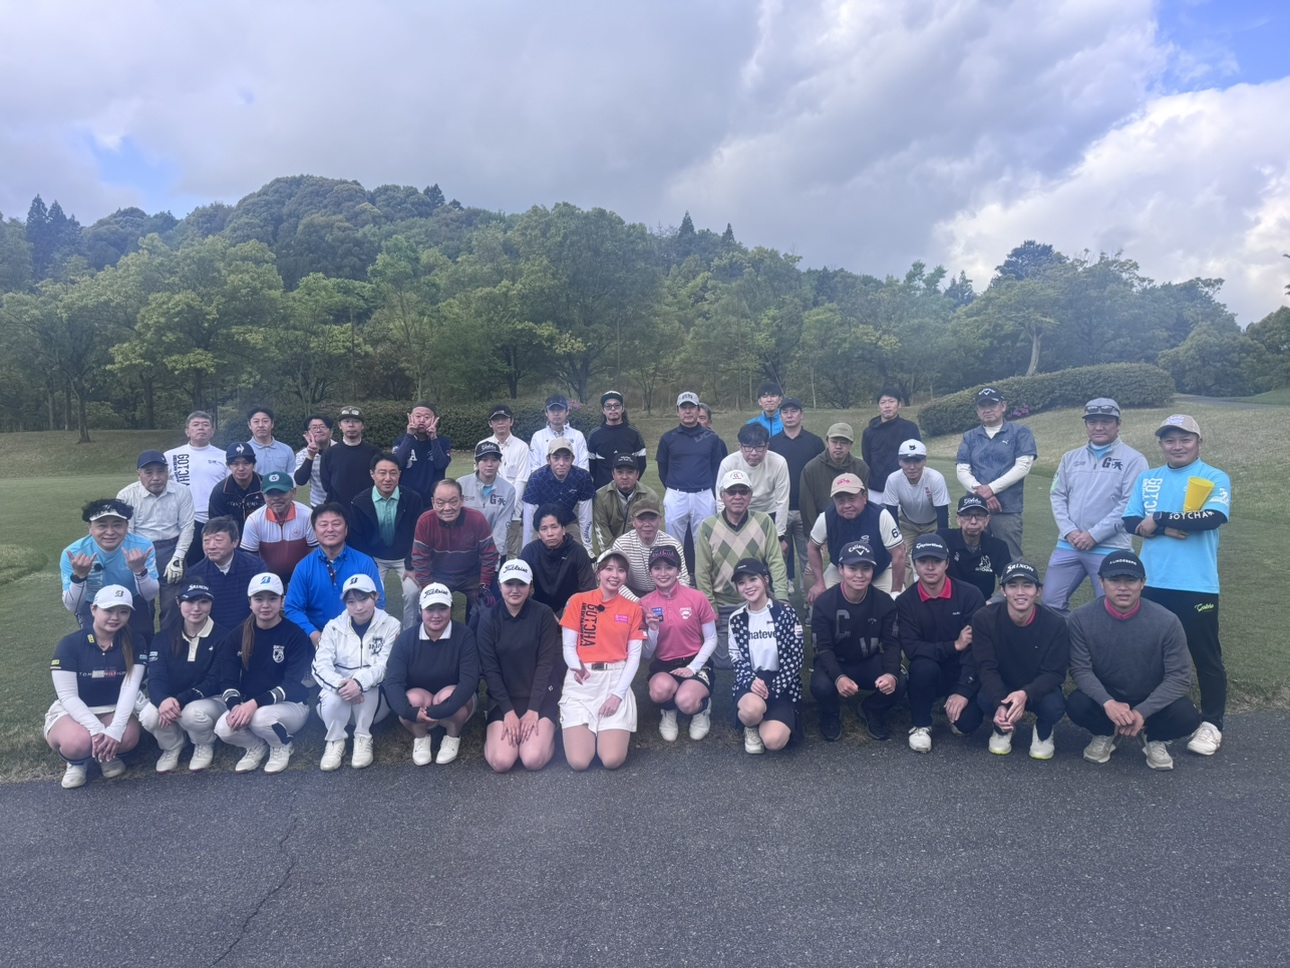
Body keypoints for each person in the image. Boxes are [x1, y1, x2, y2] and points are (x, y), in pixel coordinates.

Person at [1124, 413, 1232, 756]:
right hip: (1152, 582)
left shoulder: (1214, 476)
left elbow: (1213, 517)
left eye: (1185, 439)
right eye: (1169, 440)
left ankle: (1212, 724)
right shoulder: (1148, 478)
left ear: (1199, 442)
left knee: (1205, 655)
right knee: (1150, 654)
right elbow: (1129, 520)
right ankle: (1154, 720)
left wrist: (1159, 518)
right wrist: (1163, 528)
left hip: (1197, 584)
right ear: (1161, 444)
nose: (1177, 446)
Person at [1066, 551, 1203, 771]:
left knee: (1187, 716)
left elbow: (1179, 677)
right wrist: (1108, 703)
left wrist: (1142, 712)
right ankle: (1106, 732)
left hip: (1151, 695)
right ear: (1101, 582)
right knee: (1077, 704)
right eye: (1114, 580)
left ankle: (1153, 737)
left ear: (1143, 583)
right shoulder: (1080, 618)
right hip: (1108, 696)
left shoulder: (1167, 621)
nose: (1123, 587)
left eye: (1130, 580)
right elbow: (1080, 669)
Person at [1043, 398, 1148, 616]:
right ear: (1086, 425)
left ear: (1118, 424)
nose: (1098, 427)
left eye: (1106, 421)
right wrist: (1069, 531)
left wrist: (1094, 535)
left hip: (1110, 547)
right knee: (1050, 603)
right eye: (1092, 422)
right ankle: (1071, 638)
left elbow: (1129, 504)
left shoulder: (1134, 460)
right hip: (1068, 544)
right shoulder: (1070, 458)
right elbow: (1057, 495)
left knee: (1112, 609)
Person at [45, 584, 147, 789]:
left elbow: (130, 688)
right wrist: (97, 729)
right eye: (108, 610)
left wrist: (115, 730)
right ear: (93, 609)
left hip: (113, 708)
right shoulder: (70, 643)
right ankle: (77, 763)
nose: (115, 617)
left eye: (123, 611)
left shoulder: (135, 641)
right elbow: (68, 696)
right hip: (72, 711)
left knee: (127, 737)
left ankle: (106, 755)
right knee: (77, 742)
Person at [213, 572, 313, 774]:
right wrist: (235, 707)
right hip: (251, 704)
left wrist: (254, 704)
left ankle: (282, 745)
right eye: (259, 599)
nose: (265, 605)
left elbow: (291, 683)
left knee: (260, 719)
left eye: (272, 598)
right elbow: (228, 680)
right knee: (223, 728)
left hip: (291, 705)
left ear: (282, 601)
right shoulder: (236, 636)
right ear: (250, 602)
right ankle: (256, 746)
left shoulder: (295, 635)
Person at [896, 533, 987, 753]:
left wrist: (963, 690)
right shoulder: (905, 601)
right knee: (921, 666)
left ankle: (955, 705)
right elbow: (913, 649)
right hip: (930, 670)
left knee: (967, 724)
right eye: (923, 561)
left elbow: (977, 648)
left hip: (963, 669)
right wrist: (954, 645)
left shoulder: (970, 595)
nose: (930, 567)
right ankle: (921, 724)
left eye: (936, 561)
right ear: (914, 564)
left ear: (946, 563)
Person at [970, 560, 1069, 759]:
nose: (1020, 592)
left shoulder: (1055, 624)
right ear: (1003, 590)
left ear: (1038, 591)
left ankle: (1043, 730)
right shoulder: (984, 618)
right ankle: (1003, 726)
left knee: (1054, 706)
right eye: (1013, 585)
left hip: (1038, 688)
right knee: (985, 699)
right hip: (1004, 685)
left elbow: (1054, 673)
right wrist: (999, 703)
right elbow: (986, 667)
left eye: (1027, 585)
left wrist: (1025, 694)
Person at [559, 549, 647, 771]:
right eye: (609, 569)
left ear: (626, 576)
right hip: (583, 681)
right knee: (579, 762)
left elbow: (634, 658)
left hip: (615, 679)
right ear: (598, 572)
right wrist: (576, 667)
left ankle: (607, 731)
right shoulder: (578, 601)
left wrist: (617, 696)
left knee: (611, 759)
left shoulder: (633, 609)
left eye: (621, 570)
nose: (614, 575)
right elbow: (568, 646)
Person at [809, 542, 906, 742]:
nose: (859, 575)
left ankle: (872, 708)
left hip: (867, 660)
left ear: (873, 571)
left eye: (865, 568)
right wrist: (838, 677)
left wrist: (890, 674)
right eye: (852, 568)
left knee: (900, 681)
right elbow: (822, 648)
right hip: (835, 661)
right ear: (841, 569)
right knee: (821, 686)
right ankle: (830, 712)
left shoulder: (884, 602)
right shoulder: (824, 603)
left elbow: (892, 644)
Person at [476, 559, 564, 773]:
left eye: (521, 584)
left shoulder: (543, 614)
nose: (515, 590)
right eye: (509, 584)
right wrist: (508, 711)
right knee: (502, 762)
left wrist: (533, 709)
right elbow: (490, 670)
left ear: (530, 587)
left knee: (532, 759)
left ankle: (548, 731)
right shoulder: (488, 619)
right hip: (504, 699)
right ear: (500, 586)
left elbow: (545, 663)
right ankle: (499, 736)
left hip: (541, 697)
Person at [695, 469, 789, 668]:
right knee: (723, 662)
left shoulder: (764, 521)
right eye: (732, 492)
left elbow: (776, 561)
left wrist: (781, 597)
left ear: (750, 495)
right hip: (723, 604)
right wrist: (710, 607)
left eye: (743, 491)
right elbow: (702, 572)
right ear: (722, 496)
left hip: (758, 601)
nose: (737, 496)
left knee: (773, 655)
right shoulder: (707, 526)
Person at [136, 581, 230, 773]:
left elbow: (214, 682)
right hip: (173, 700)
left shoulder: (224, 637)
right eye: (190, 601)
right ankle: (172, 745)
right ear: (178, 602)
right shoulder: (163, 638)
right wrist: (162, 700)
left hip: (210, 700)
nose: (196, 608)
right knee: (148, 716)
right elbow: (156, 677)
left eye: (203, 602)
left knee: (191, 714)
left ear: (211, 604)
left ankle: (203, 743)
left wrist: (179, 700)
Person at [383, 583, 480, 766]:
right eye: (430, 609)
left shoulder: (465, 635)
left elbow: (470, 680)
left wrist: (439, 710)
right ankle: (421, 737)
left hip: (456, 702)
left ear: (451, 609)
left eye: (442, 608)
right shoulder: (406, 639)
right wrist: (409, 711)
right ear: (420, 610)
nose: (436, 615)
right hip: (421, 701)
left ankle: (452, 735)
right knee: (410, 699)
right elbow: (393, 681)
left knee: (447, 695)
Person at [312, 574, 402, 771]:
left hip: (373, 703)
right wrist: (342, 686)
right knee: (333, 696)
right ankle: (335, 740)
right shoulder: (333, 627)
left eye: (364, 599)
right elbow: (320, 666)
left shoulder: (391, 625)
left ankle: (363, 736)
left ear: (375, 596)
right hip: (339, 698)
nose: (359, 607)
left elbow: (384, 666)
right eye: (351, 602)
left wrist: (359, 684)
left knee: (368, 687)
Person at [641, 545, 718, 742]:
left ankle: (701, 709)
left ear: (679, 570)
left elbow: (711, 638)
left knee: (686, 701)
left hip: (695, 661)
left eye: (669, 567)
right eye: (657, 568)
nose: (663, 573)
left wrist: (693, 668)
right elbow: (647, 654)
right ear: (650, 571)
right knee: (659, 691)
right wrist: (653, 630)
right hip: (664, 664)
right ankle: (669, 711)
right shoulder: (644, 603)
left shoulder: (697, 597)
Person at [729, 558, 803, 754]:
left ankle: (768, 720)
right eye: (741, 582)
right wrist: (751, 681)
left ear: (766, 580)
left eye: (753, 579)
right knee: (752, 710)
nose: (748, 586)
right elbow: (736, 658)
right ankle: (751, 726)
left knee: (774, 741)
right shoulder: (736, 619)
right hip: (751, 682)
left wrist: (774, 688)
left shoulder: (786, 613)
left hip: (782, 683)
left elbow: (795, 658)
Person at [285, 503, 384, 645]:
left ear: (346, 529)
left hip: (359, 635)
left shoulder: (365, 563)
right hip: (317, 637)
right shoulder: (303, 568)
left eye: (336, 524)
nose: (330, 529)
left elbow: (378, 601)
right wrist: (313, 634)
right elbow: (293, 609)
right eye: (323, 525)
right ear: (314, 531)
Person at [955, 386, 1036, 560]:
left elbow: (1023, 466)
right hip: (975, 508)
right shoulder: (969, 436)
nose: (988, 409)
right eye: (982, 406)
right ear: (978, 411)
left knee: (1010, 558)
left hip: (1007, 508)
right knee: (973, 557)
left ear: (1003, 406)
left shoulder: (1020, 432)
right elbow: (962, 469)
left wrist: (990, 489)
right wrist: (983, 494)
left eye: (992, 404)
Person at [117, 449, 194, 630]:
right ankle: (144, 644)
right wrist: (136, 560)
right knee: (143, 605)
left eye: (161, 471)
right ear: (139, 474)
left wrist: (178, 557)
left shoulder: (182, 491)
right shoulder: (126, 495)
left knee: (173, 606)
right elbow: (128, 531)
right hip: (140, 551)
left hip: (172, 549)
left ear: (168, 472)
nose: (156, 477)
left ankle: (169, 643)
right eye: (149, 472)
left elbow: (187, 526)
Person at [61, 497, 159, 639]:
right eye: (102, 526)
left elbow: (149, 595)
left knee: (141, 639)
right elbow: (73, 606)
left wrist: (139, 570)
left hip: (131, 600)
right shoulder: (73, 553)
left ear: (127, 527)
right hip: (92, 602)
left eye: (117, 525)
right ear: (90, 528)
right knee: (97, 642)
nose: (110, 532)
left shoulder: (143, 547)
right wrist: (79, 576)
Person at [349, 452, 425, 628]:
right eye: (382, 473)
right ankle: (377, 630)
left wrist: (411, 564)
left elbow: (418, 534)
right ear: (372, 474)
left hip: (405, 557)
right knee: (370, 593)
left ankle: (409, 632)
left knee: (412, 592)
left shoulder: (413, 499)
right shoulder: (359, 502)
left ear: (399, 474)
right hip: (374, 558)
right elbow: (357, 539)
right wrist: (369, 565)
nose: (387, 478)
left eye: (393, 472)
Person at [656, 391, 725, 573]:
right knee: (674, 542)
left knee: (704, 541)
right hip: (676, 494)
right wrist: (674, 487)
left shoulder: (711, 438)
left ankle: (702, 580)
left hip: (704, 494)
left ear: (698, 410)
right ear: (678, 411)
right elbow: (663, 469)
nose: (688, 411)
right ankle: (676, 579)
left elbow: (716, 468)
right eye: (684, 408)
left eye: (691, 407)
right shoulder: (668, 438)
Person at [806, 474, 905, 600]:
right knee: (822, 599)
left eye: (852, 499)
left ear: (864, 497)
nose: (846, 505)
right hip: (841, 571)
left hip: (880, 571)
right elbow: (812, 547)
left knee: (897, 602)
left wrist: (896, 591)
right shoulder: (826, 518)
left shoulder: (881, 515)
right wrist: (819, 583)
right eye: (840, 500)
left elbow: (898, 553)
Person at [412, 479, 499, 620]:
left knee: (489, 611)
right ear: (433, 502)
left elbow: (490, 554)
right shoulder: (425, 521)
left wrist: (484, 584)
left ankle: (475, 632)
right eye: (440, 502)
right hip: (438, 576)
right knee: (427, 615)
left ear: (462, 500)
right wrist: (428, 587)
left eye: (453, 501)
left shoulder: (477, 519)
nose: (447, 508)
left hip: (472, 575)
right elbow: (419, 559)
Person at [769, 396, 824, 592]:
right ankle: (781, 598)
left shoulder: (815, 442)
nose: (789, 415)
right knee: (778, 555)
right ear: (780, 416)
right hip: (780, 509)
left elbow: (820, 477)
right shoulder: (772, 443)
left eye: (793, 411)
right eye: (785, 412)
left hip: (806, 510)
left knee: (809, 556)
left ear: (802, 415)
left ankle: (810, 597)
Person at [882, 439, 950, 585]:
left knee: (938, 554)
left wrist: (942, 539)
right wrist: (897, 542)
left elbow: (942, 513)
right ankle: (910, 591)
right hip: (908, 523)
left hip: (933, 523)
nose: (912, 467)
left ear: (925, 461)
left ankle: (937, 587)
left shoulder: (936, 478)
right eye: (907, 461)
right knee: (900, 555)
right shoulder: (893, 479)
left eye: (917, 461)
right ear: (900, 462)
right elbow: (891, 512)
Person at [165, 410, 228, 566]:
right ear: (187, 431)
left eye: (205, 425)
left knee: (217, 561)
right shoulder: (171, 456)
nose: (201, 428)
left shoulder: (224, 456)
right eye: (196, 425)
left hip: (216, 517)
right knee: (190, 564)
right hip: (185, 519)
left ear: (212, 431)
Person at [184, 517, 268, 632]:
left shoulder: (255, 566)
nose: (211, 546)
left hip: (250, 631)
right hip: (212, 635)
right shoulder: (195, 573)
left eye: (218, 540)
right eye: (206, 541)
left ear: (235, 542)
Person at [716, 422, 790, 548]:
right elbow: (720, 499)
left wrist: (780, 535)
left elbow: (782, 501)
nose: (754, 453)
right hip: (740, 515)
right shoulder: (728, 463)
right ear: (740, 447)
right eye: (748, 447)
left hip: (769, 513)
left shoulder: (779, 462)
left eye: (759, 447)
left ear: (767, 447)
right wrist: (727, 528)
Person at [239, 471, 317, 585]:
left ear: (293, 492)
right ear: (263, 495)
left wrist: (303, 579)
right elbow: (251, 560)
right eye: (270, 493)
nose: (276, 498)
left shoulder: (308, 516)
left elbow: (313, 554)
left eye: (281, 492)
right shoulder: (254, 520)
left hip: (302, 575)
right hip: (266, 576)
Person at [520, 504, 597, 615]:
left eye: (554, 527)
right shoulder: (530, 551)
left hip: (572, 610)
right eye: (544, 529)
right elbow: (520, 586)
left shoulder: (578, 552)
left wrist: (564, 614)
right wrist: (543, 614)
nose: (550, 533)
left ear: (564, 529)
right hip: (538, 611)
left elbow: (589, 590)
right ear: (538, 534)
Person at [521, 438, 595, 547]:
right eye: (556, 458)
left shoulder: (583, 477)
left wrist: (587, 546)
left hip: (567, 523)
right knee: (536, 552)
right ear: (548, 459)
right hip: (542, 523)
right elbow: (529, 515)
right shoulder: (536, 478)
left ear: (572, 459)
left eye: (567, 458)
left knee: (579, 551)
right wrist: (527, 548)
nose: (562, 463)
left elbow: (586, 514)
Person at [799, 422, 871, 535]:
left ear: (851, 444)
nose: (838, 446)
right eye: (834, 441)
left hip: (854, 527)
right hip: (822, 527)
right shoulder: (811, 468)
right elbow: (807, 507)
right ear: (827, 441)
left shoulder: (861, 468)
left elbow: (864, 501)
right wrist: (813, 535)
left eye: (844, 442)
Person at [611, 498, 690, 597]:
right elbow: (614, 579)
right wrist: (637, 602)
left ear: (660, 520)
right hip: (632, 593)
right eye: (641, 519)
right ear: (633, 521)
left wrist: (670, 598)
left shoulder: (673, 544)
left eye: (652, 519)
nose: (647, 524)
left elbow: (683, 579)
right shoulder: (621, 544)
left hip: (666, 592)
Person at [938, 495, 1011, 601]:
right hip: (949, 602)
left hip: (983, 604)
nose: (973, 521)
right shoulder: (944, 538)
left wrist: (990, 604)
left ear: (987, 520)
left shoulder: (998, 547)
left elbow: (1009, 582)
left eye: (979, 515)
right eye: (967, 515)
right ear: (958, 520)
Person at [483, 403, 531, 558]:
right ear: (490, 424)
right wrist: (492, 507)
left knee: (512, 554)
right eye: (496, 419)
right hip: (489, 511)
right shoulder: (482, 446)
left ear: (511, 421)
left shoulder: (522, 447)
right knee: (489, 553)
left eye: (504, 419)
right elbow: (481, 480)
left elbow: (521, 481)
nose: (500, 422)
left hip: (513, 513)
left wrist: (506, 508)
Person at [862, 388, 921, 507]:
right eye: (883, 402)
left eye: (891, 401)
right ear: (878, 406)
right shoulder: (869, 432)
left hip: (904, 488)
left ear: (899, 404)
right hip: (876, 489)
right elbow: (867, 460)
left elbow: (918, 457)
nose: (887, 406)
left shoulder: (910, 428)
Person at [592, 453, 660, 553]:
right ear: (613, 474)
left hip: (640, 552)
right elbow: (603, 534)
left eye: (630, 472)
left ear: (637, 474)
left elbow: (651, 533)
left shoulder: (651, 497)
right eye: (620, 472)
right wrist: (616, 556)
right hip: (611, 553)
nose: (624, 477)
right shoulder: (600, 496)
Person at [459, 439, 517, 556]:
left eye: (494, 460)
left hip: (494, 550)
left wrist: (492, 553)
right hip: (464, 549)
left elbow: (503, 525)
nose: (489, 464)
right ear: (476, 462)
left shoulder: (508, 490)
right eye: (484, 460)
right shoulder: (461, 484)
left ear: (499, 462)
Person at [319, 406, 382, 509]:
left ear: (362, 426)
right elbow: (326, 485)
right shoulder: (329, 453)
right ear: (340, 425)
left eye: (356, 421)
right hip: (339, 509)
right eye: (346, 421)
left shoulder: (374, 453)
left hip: (367, 508)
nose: (351, 425)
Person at [392, 401, 453, 506]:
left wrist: (433, 439)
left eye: (426, 417)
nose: (421, 420)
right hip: (406, 500)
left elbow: (441, 465)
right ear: (411, 418)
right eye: (418, 416)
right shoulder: (401, 441)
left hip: (433, 501)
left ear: (435, 420)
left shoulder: (443, 442)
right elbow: (397, 463)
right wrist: (409, 435)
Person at [587, 389, 647, 489]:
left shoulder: (634, 433)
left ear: (622, 408)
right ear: (603, 410)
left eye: (616, 405)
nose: (613, 409)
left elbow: (641, 463)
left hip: (628, 490)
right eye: (608, 406)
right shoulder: (594, 435)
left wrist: (629, 483)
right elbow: (591, 465)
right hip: (602, 491)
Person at [528, 393, 589, 472]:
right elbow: (534, 468)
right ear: (546, 413)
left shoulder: (578, 436)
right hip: (544, 479)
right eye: (552, 410)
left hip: (574, 480)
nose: (556, 414)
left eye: (560, 410)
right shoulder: (538, 437)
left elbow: (583, 468)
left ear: (567, 411)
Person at [208, 442, 264, 525]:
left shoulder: (266, 486)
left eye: (246, 463)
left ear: (254, 464)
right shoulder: (220, 491)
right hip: (231, 533)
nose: (241, 468)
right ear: (228, 466)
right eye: (235, 464)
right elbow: (216, 525)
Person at [292, 413, 335, 507]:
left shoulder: (340, 450)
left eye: (322, 427)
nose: (318, 430)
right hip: (317, 504)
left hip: (340, 502)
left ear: (331, 432)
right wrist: (310, 456)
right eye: (314, 428)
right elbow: (300, 481)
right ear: (307, 433)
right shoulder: (303, 454)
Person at [246, 406, 295, 476]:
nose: (261, 425)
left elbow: (291, 476)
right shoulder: (245, 451)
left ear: (272, 424)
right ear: (249, 425)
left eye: (265, 421)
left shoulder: (287, 450)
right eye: (256, 421)